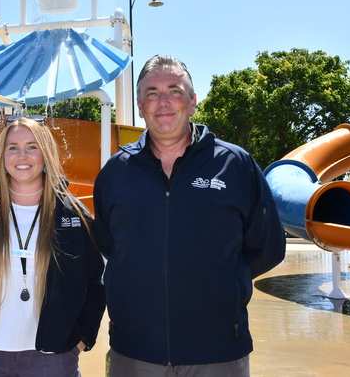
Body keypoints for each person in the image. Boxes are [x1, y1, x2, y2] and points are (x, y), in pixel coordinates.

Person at [93, 55, 286, 377]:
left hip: (218, 349)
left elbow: (267, 247)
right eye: (152, 93)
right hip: (134, 349)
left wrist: (225, 283)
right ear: (140, 106)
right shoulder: (115, 172)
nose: (163, 101)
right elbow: (108, 244)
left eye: (175, 91)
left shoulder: (235, 164)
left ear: (193, 102)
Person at [0, 115, 106, 376]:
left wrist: (82, 338)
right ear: (3, 155)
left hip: (54, 356)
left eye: (32, 147)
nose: (22, 156)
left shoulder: (71, 213)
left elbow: (94, 281)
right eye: (13, 147)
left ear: (46, 154)